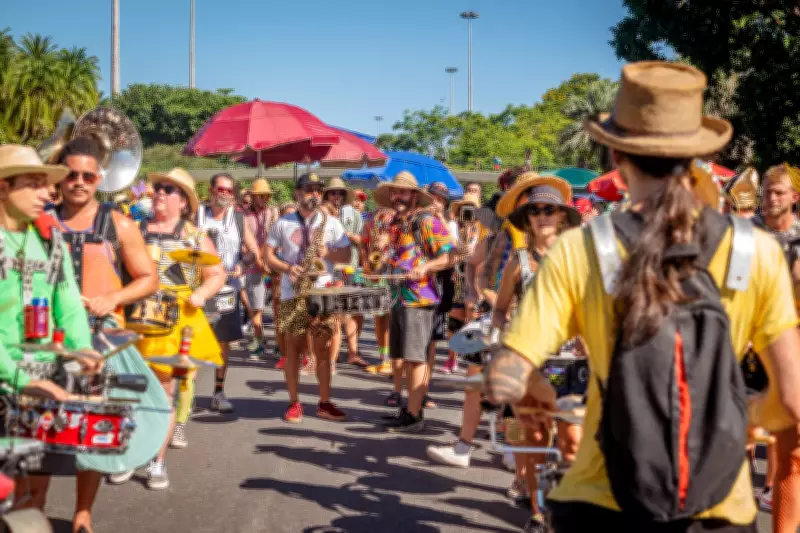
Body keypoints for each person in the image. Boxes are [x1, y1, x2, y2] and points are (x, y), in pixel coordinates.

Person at [485, 61, 800, 533]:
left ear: (617, 156)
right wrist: (747, 415)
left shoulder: (580, 249)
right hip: (720, 507)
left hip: (602, 500)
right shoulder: (757, 251)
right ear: (697, 156)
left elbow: (505, 377)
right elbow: (793, 402)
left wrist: (543, 401)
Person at [51, 137, 160, 532]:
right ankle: (34, 504)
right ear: (60, 177)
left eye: (88, 175)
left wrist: (113, 297)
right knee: (40, 424)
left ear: (99, 178)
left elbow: (149, 278)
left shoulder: (118, 224)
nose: (79, 182)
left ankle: (83, 513)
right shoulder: (40, 221)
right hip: (48, 338)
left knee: (92, 426)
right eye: (71, 175)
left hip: (100, 339)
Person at [0, 145, 102, 533]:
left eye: (47, 184)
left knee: (31, 495)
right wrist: (19, 378)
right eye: (34, 183)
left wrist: (82, 348)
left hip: (40, 385)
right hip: (10, 380)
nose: (48, 193)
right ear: (3, 188)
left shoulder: (49, 239)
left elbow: (68, 303)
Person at [110, 168, 225, 490]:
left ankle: (156, 461)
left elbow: (217, 273)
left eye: (168, 189)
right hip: (133, 317)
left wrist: (201, 294)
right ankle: (130, 453)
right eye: (158, 187)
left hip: (174, 320)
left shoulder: (195, 236)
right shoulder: (134, 229)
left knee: (163, 392)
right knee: (128, 391)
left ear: (184, 202)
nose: (159, 192)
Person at [492, 172, 583, 531]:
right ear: (527, 218)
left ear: (561, 216)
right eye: (535, 210)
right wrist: (502, 333)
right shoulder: (519, 262)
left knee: (571, 441)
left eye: (549, 209)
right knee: (533, 442)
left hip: (571, 364)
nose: (542, 216)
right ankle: (538, 511)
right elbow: (500, 309)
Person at [264, 173, 352, 424]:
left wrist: (329, 252)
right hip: (292, 292)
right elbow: (267, 255)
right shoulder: (283, 223)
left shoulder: (331, 223)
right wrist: (286, 268)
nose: (314, 194)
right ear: (297, 193)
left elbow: (346, 255)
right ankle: (294, 403)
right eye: (309, 189)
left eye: (318, 190)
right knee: (292, 348)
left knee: (324, 349)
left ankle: (324, 402)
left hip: (322, 294)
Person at [376, 172, 452, 433]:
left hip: (419, 299)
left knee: (416, 358)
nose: (397, 196)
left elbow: (451, 255)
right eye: (394, 192)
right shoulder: (396, 224)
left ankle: (415, 415)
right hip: (398, 298)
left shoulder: (427, 221)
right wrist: (383, 254)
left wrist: (426, 267)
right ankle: (409, 409)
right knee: (406, 359)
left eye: (403, 192)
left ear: (414, 196)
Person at [751, 163, 800, 531]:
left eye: (778, 192)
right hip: (748, 347)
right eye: (766, 192)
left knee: (790, 447)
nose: (770, 198)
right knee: (740, 435)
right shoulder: (747, 235)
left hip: (791, 347)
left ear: (794, 197)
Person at [196, 173, 262, 413]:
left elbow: (254, 250)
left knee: (223, 342)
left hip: (227, 290)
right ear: (211, 190)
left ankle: (218, 392)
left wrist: (243, 263)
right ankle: (185, 392)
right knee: (191, 341)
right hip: (198, 290)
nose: (224, 194)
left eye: (228, 190)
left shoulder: (238, 218)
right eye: (220, 189)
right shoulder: (196, 215)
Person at [322, 177, 368, 368]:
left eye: (340, 193)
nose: (336, 196)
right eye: (333, 193)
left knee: (352, 312)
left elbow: (363, 241)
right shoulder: (321, 214)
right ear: (327, 195)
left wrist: (348, 235)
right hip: (329, 270)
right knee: (332, 313)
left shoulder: (354, 214)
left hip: (351, 267)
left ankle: (352, 353)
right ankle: (329, 356)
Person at [243, 178, 279, 359]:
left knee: (279, 307)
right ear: (253, 196)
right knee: (256, 308)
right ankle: (259, 341)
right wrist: (259, 262)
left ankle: (280, 343)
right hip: (253, 267)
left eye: (267, 195)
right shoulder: (244, 216)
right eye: (261, 195)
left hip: (273, 265)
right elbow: (244, 245)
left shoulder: (272, 213)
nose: (265, 198)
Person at [360, 206, 395, 378]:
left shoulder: (401, 217)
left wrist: (388, 240)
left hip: (395, 271)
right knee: (380, 319)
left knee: (395, 319)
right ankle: (384, 359)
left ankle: (397, 361)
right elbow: (363, 244)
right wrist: (366, 263)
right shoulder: (371, 220)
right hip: (375, 272)